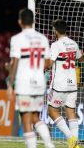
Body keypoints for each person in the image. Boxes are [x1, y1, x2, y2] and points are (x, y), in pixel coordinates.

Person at [7, 9, 54, 148]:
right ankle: (49, 144)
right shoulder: (43, 38)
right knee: (35, 117)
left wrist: (10, 84)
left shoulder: (16, 39)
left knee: (26, 119)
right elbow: (48, 63)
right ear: (34, 21)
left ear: (20, 22)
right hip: (39, 82)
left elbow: (14, 63)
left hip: (24, 83)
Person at [46, 19, 84, 148]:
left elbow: (49, 64)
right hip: (72, 84)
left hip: (59, 85)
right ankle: (75, 144)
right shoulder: (74, 44)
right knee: (71, 113)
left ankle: (71, 139)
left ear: (55, 30)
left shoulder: (55, 45)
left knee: (52, 111)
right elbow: (81, 58)